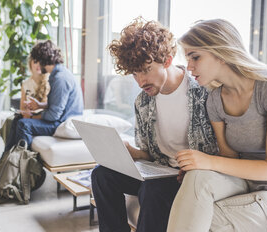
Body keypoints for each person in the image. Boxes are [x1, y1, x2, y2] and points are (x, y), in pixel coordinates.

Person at [167, 19, 267, 232]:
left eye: (195, 57)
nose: (188, 67)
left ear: (220, 53)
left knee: (203, 219)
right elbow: (229, 159)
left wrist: (208, 161)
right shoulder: (215, 100)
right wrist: (200, 165)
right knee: (196, 179)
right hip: (247, 184)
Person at [91, 17, 218, 232]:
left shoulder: (202, 92)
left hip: (189, 176)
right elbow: (151, 154)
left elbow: (219, 149)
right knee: (101, 175)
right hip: (160, 171)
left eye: (146, 69)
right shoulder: (143, 101)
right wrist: (132, 153)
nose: (140, 81)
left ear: (167, 60)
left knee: (152, 190)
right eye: (134, 73)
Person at [4, 40, 83, 151]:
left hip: (63, 123)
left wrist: (31, 116)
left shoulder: (60, 79)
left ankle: (23, 164)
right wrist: (40, 105)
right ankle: (6, 161)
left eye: (37, 61)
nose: (37, 65)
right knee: (18, 119)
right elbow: (59, 104)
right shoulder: (58, 74)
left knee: (23, 124)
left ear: (42, 60)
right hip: (61, 118)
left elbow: (54, 116)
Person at [0, 59, 50, 145]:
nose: (38, 65)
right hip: (28, 115)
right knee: (11, 121)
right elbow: (22, 108)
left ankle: (11, 154)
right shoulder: (26, 84)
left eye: (41, 62)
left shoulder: (50, 82)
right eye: (35, 62)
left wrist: (30, 116)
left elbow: (50, 110)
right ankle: (10, 154)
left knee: (18, 122)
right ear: (30, 64)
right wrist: (25, 113)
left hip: (41, 118)